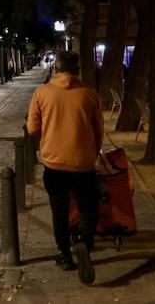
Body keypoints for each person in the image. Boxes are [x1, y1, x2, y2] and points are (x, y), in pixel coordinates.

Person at [26, 50, 103, 285]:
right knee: (88, 205)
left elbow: (32, 129)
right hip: (83, 162)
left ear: (56, 69)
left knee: (58, 209)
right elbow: (98, 129)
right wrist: (92, 151)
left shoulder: (42, 93)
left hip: (54, 163)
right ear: (77, 70)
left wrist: (49, 136)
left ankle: (65, 255)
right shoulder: (89, 94)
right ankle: (84, 241)